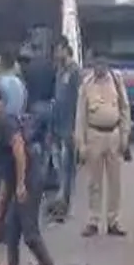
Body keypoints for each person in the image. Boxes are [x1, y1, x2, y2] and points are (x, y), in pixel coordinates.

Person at [0, 81, 60, 265]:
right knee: (12, 230)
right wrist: (2, 195)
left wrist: (22, 183)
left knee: (30, 233)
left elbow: (19, 149)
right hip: (19, 180)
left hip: (30, 178)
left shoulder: (5, 122)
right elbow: (6, 164)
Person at [75, 51, 131, 237]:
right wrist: (81, 144)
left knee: (115, 182)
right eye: (96, 64)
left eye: (103, 63)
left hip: (113, 134)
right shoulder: (87, 84)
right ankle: (93, 220)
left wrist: (125, 135)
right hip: (94, 134)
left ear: (107, 63)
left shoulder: (116, 80)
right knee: (94, 182)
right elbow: (80, 116)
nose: (100, 67)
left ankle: (113, 220)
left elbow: (125, 108)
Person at [48, 38, 81, 222]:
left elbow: (78, 101)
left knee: (68, 165)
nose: (55, 54)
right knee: (59, 164)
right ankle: (60, 201)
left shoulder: (75, 72)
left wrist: (77, 127)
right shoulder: (59, 70)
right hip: (57, 124)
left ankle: (65, 203)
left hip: (70, 125)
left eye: (58, 50)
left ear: (65, 50)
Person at [0, 52, 27, 119]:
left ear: (0, 64)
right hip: (17, 119)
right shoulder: (20, 83)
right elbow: (25, 102)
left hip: (3, 120)